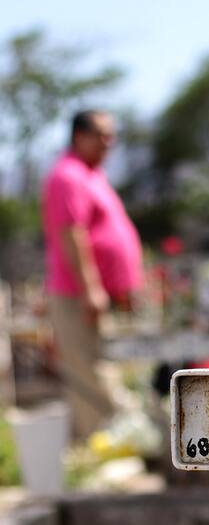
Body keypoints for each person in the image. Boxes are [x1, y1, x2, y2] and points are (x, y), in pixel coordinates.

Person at [42, 110, 143, 439]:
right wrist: (91, 289)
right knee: (90, 376)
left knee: (104, 370)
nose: (108, 143)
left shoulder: (92, 175)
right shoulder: (67, 176)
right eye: (101, 134)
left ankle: (116, 444)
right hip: (76, 295)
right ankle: (106, 448)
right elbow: (72, 234)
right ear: (78, 136)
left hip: (96, 294)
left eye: (111, 135)